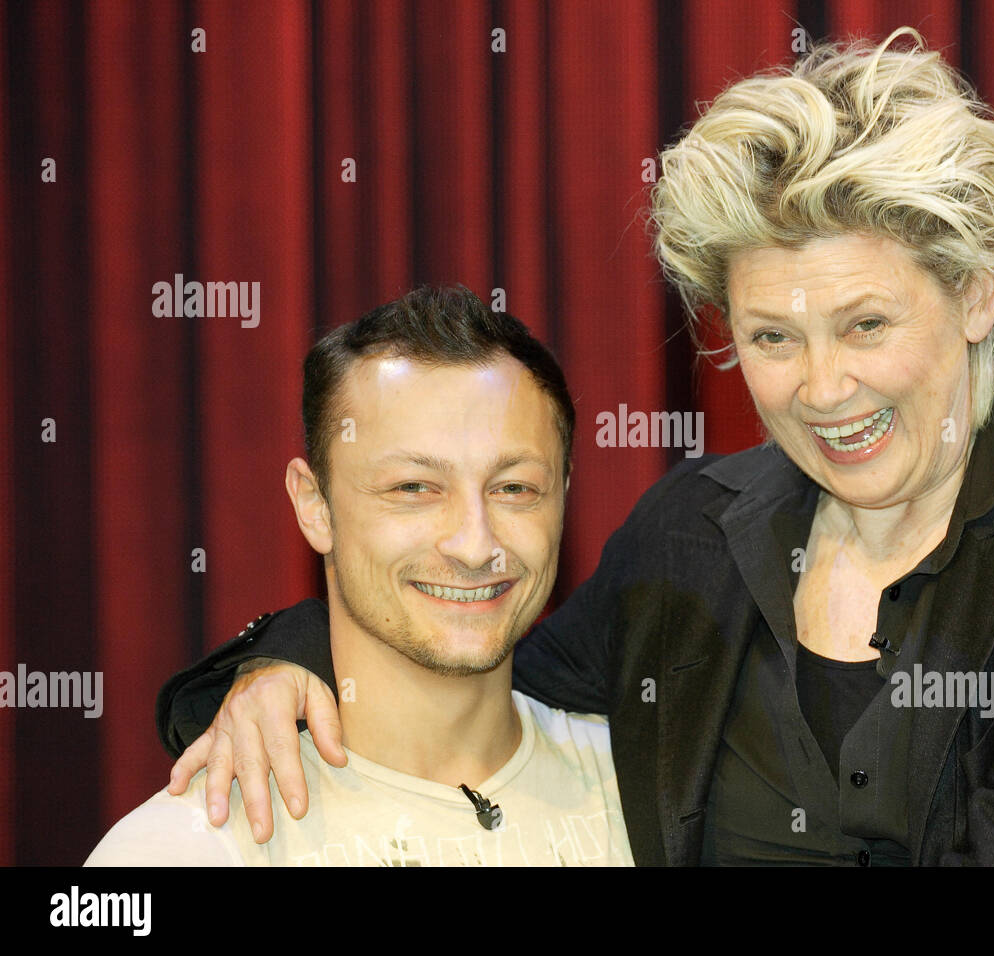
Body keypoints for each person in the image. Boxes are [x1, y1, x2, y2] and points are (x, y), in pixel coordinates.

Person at [157, 29, 994, 866]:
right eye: (773, 337)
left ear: (973, 295)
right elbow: (475, 662)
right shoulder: (692, 531)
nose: (822, 387)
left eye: (865, 324)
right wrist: (287, 660)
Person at [87, 286, 632, 866]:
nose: (476, 545)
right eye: (414, 489)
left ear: (564, 496)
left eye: (515, 489)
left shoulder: (656, 790)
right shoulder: (180, 850)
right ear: (314, 505)